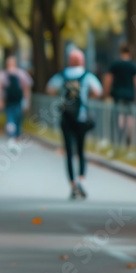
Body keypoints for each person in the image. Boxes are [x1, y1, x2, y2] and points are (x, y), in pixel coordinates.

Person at [45, 49, 103, 199]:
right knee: (81, 149)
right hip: (82, 117)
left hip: (66, 117)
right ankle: (81, 180)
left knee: (69, 152)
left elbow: (49, 89)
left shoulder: (62, 75)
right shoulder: (87, 76)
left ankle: (73, 183)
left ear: (69, 61)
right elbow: (98, 91)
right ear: (82, 61)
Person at [102, 43, 136, 146]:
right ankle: (128, 137)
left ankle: (119, 138)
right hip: (130, 96)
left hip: (118, 96)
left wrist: (105, 94)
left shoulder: (115, 65)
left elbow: (108, 80)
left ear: (120, 52)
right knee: (130, 118)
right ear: (130, 53)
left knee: (119, 117)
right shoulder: (133, 66)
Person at [0, 56, 32, 150]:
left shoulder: (5, 74)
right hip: (13, 100)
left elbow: (26, 87)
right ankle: (14, 138)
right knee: (14, 118)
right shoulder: (19, 73)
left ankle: (13, 138)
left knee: (13, 119)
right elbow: (26, 87)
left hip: (14, 100)